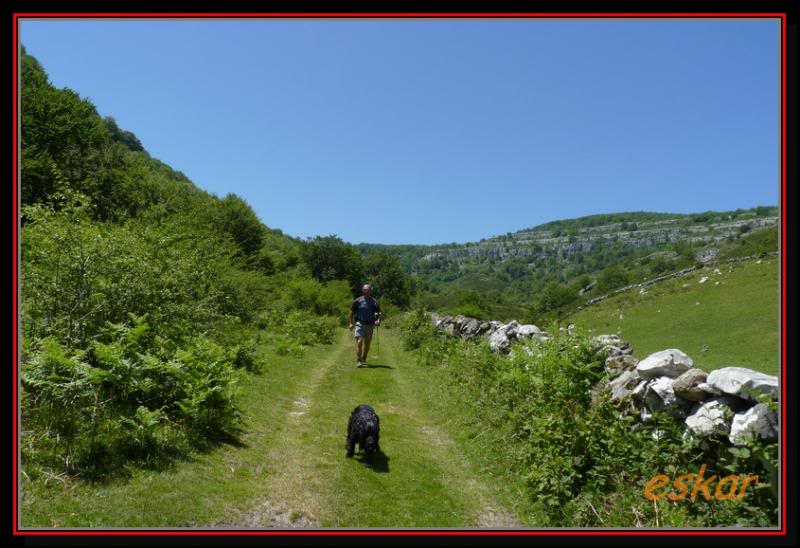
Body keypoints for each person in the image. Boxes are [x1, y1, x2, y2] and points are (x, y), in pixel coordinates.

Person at [349, 284, 381, 367]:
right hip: (360, 323)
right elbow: (351, 312)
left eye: (368, 290)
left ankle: (364, 357)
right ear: (363, 291)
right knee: (359, 342)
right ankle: (358, 360)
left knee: (367, 344)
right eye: (365, 290)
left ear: (370, 291)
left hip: (370, 325)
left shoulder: (374, 302)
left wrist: (378, 320)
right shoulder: (358, 301)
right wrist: (351, 323)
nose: (366, 291)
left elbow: (378, 313)